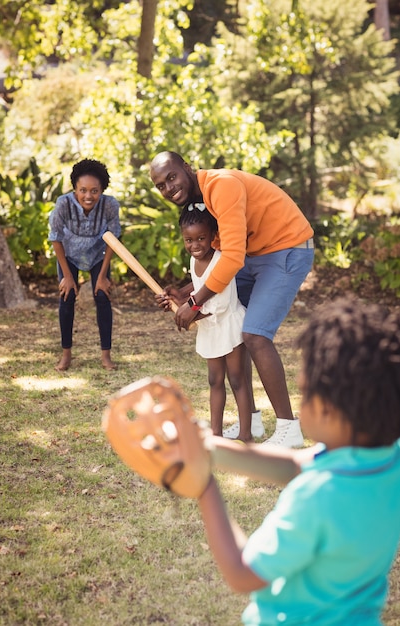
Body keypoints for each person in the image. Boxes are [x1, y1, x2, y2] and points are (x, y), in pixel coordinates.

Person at [197, 297, 400, 625]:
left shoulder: (317, 496)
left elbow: (242, 573)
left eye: (303, 393)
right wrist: (209, 448)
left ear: (328, 410)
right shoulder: (388, 459)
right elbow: (295, 464)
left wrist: (204, 485)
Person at [150, 151, 314, 447]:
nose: (169, 188)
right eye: (161, 185)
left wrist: (195, 303)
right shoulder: (197, 204)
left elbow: (233, 258)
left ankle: (289, 429)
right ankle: (249, 421)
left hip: (287, 247)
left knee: (254, 334)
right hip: (254, 255)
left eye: (171, 177)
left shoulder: (221, 186)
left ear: (187, 168)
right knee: (238, 328)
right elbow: (219, 259)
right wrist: (185, 292)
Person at [167, 203, 262, 442]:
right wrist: (176, 301)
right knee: (214, 380)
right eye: (189, 240)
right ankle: (216, 434)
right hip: (210, 329)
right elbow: (198, 293)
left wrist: (190, 312)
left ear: (213, 237)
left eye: (201, 238)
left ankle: (245, 435)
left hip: (229, 325)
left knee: (238, 380)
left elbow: (219, 304)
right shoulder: (193, 261)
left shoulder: (221, 261)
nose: (195, 245)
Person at [48, 159, 121, 371]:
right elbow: (55, 238)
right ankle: (66, 355)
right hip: (69, 255)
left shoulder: (110, 205)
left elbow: (113, 238)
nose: (88, 196)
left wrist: (102, 276)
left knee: (102, 297)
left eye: (94, 190)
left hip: (98, 254)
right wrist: (68, 277)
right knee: (67, 297)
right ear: (75, 189)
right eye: (83, 190)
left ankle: (106, 356)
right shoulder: (63, 204)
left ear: (102, 190)